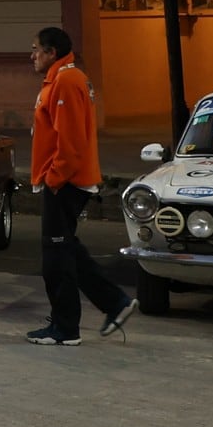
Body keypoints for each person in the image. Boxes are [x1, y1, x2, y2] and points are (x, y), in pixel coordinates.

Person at [26, 27, 134, 345]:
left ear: (52, 53)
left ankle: (65, 328)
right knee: (67, 250)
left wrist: (55, 178)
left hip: (66, 181)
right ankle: (114, 303)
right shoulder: (63, 79)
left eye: (36, 50)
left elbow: (70, 141)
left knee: (57, 257)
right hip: (65, 179)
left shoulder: (66, 81)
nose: (32, 56)